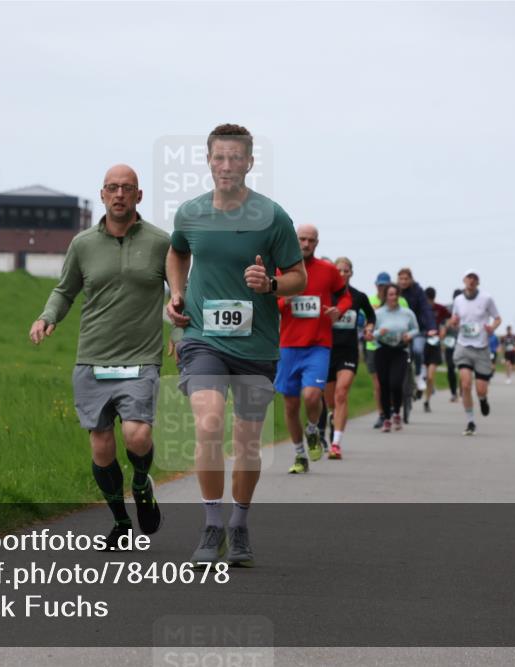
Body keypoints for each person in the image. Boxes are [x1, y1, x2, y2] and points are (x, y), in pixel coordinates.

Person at [166, 123, 306, 567]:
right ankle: (211, 525)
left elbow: (297, 277)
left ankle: (239, 525)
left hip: (256, 344)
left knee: (246, 441)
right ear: (208, 161)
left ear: (249, 162)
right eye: (218, 157)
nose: (226, 166)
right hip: (203, 338)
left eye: (235, 158)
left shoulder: (273, 216)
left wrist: (270, 285)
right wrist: (176, 292)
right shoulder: (189, 212)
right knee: (208, 423)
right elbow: (177, 252)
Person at [31, 165, 170, 550]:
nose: (120, 194)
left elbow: (179, 295)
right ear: (103, 194)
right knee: (101, 445)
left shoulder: (161, 243)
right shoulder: (83, 244)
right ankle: (121, 523)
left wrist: (184, 332)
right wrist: (47, 317)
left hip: (141, 357)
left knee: (137, 434)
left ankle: (141, 483)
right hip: (93, 357)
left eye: (127, 188)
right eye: (113, 188)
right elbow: (64, 291)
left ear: (139, 196)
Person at [276, 225, 351, 474]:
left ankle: (312, 429)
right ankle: (299, 455)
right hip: (288, 345)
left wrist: (338, 310)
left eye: (310, 240)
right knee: (290, 405)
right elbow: (267, 302)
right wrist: (282, 300)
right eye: (302, 239)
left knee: (311, 395)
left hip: (319, 344)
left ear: (317, 243)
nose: (306, 244)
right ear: (294, 241)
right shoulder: (281, 270)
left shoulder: (328, 270)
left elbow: (345, 296)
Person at [323, 257, 375, 459]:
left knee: (341, 393)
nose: (343, 274)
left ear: (351, 273)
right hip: (326, 350)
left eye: (346, 271)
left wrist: (369, 328)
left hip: (349, 351)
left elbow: (371, 315)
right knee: (330, 401)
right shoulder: (326, 295)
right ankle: (331, 415)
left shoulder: (358, 296)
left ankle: (336, 444)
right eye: (339, 271)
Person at [449, 270, 502, 436]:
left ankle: (483, 400)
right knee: (465, 384)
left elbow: (497, 318)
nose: (471, 281)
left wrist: (492, 328)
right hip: (463, 346)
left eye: (474, 278)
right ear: (464, 280)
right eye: (469, 278)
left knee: (481, 390)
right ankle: (470, 421)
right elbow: (454, 320)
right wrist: (454, 322)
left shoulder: (486, 299)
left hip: (481, 348)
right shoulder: (458, 300)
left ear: (478, 282)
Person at [367, 284, 419, 432]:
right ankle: (387, 418)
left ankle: (397, 412)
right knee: (383, 385)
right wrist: (379, 333)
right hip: (382, 350)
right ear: (385, 296)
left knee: (396, 384)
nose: (393, 297)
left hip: (400, 350)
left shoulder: (407, 313)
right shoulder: (378, 313)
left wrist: (409, 335)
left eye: (396, 294)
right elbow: (371, 333)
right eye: (390, 294)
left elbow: (416, 329)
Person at [397, 268, 437, 398]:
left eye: (406, 279)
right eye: (401, 279)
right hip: (399, 330)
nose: (403, 282)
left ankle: (419, 375)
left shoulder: (418, 291)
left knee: (418, 350)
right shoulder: (394, 291)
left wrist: (432, 327)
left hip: (418, 329)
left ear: (411, 279)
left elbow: (426, 309)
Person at [422, 286, 450, 413]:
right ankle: (417, 389)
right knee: (420, 373)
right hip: (422, 343)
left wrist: (444, 327)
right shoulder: (420, 308)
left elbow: (449, 317)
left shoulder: (440, 308)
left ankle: (427, 401)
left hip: (435, 344)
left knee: (430, 377)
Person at [443, 288, 463, 402]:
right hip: (449, 342)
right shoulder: (447, 309)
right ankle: (453, 392)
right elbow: (442, 325)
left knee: (462, 368)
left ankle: (462, 390)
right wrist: (447, 325)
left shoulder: (467, 309)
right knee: (450, 368)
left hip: (462, 342)